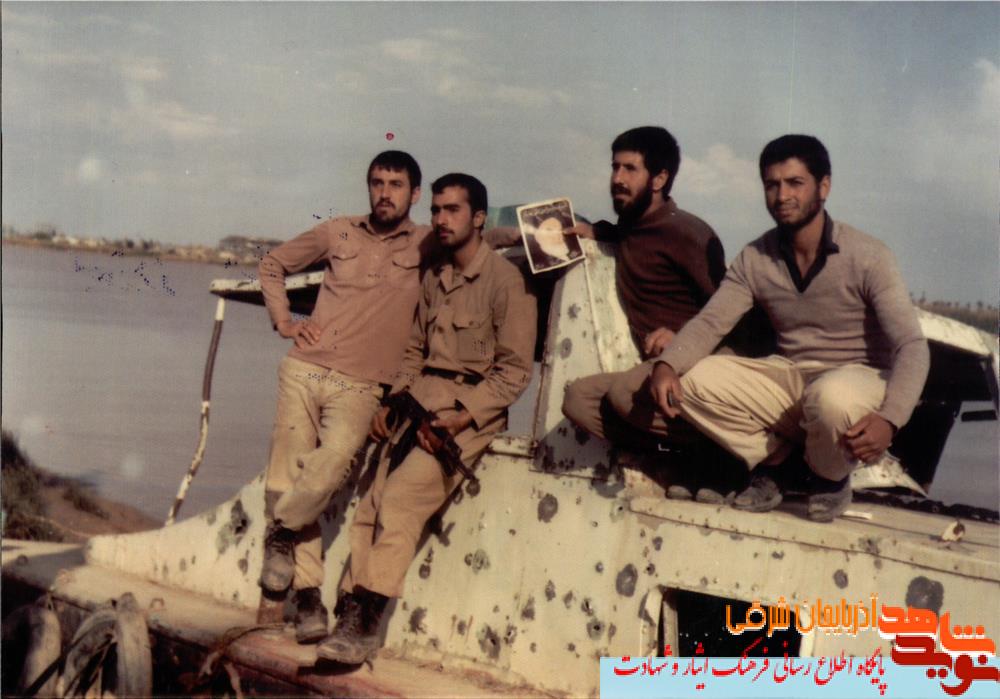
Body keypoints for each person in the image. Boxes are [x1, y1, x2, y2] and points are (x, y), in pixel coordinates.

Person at [649, 134, 929, 522]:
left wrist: (890, 419)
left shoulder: (869, 256)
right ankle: (781, 464)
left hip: (857, 380)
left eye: (795, 183)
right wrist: (667, 365)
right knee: (690, 381)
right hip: (792, 377)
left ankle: (829, 477)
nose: (782, 196)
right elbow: (712, 322)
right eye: (772, 184)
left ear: (823, 186)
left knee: (831, 398)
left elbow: (912, 345)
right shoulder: (755, 257)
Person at [316, 173, 537, 664]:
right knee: (371, 502)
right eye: (435, 210)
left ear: (478, 218)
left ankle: (364, 622)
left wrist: (463, 416)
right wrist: (391, 402)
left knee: (400, 499)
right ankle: (351, 611)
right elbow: (415, 351)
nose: (440, 219)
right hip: (416, 403)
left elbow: (514, 372)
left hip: (468, 415)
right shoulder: (435, 276)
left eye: (452, 210)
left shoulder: (506, 282)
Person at [256, 151, 433, 643]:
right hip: (304, 369)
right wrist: (285, 321)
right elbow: (272, 264)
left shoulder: (428, 242)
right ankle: (309, 597)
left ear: (415, 194)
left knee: (330, 466)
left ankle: (281, 532)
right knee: (289, 476)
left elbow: (484, 240)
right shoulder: (338, 231)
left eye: (396, 184)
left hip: (362, 384)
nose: (385, 192)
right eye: (377, 182)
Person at [557, 127, 736, 500]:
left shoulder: (688, 233)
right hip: (659, 373)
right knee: (578, 400)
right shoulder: (631, 227)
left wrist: (680, 336)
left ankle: (725, 458)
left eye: (630, 169)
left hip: (701, 364)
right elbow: (629, 235)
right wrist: (597, 231)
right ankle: (678, 458)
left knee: (624, 394)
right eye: (615, 167)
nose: (617, 179)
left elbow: (734, 314)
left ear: (659, 178)